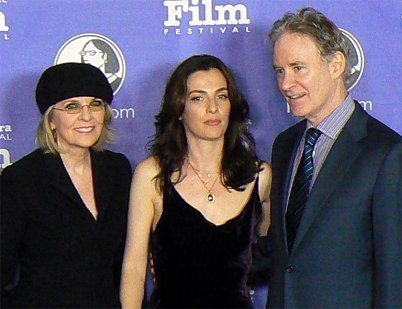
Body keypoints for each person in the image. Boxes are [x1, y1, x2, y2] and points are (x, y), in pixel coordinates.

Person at [259, 7, 402, 308]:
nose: (286, 84)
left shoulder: (385, 152)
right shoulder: (284, 146)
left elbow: (394, 274)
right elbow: (282, 251)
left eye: (298, 68)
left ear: (336, 65)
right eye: (280, 71)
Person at [120, 54, 271, 308]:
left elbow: (274, 253)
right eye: (198, 98)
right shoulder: (152, 176)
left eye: (221, 96)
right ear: (179, 109)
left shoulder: (260, 176)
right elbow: (134, 269)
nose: (213, 108)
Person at [0, 62, 132, 308]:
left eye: (95, 104)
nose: (86, 115)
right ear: (51, 120)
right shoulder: (21, 180)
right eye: (72, 106)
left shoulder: (118, 169)